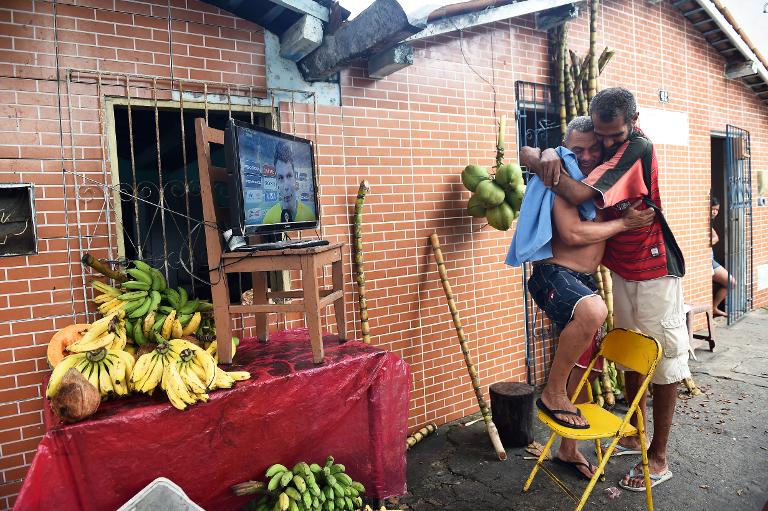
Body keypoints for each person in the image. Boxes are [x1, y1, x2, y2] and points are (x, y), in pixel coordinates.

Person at [524, 87, 689, 492]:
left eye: (614, 135)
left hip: (654, 268)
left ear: (632, 120)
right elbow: (562, 168)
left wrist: (542, 160)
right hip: (621, 271)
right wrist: (542, 155)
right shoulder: (597, 150)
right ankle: (634, 434)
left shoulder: (637, 147)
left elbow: (578, 195)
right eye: (601, 136)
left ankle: (659, 456)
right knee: (632, 355)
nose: (607, 143)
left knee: (664, 362)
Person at [513, 116, 655, 479]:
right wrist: (624, 224)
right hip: (554, 275)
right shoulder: (560, 179)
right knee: (594, 310)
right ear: (564, 148)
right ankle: (551, 394)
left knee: (583, 364)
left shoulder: (596, 183)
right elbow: (573, 233)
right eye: (579, 149)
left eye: (594, 147)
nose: (588, 155)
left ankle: (567, 450)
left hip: (581, 279)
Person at [263, 141, 315, 224]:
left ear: (295, 178)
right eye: (280, 178)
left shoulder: (309, 215)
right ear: (276, 182)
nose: (286, 187)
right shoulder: (268, 219)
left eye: (289, 176)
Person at [710, 197, 735, 317]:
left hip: (711, 260)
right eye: (713, 209)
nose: (715, 212)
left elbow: (715, 237)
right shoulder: (702, 221)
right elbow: (714, 238)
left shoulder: (709, 222)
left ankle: (714, 307)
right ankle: (714, 308)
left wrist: (712, 241)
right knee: (730, 282)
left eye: (717, 210)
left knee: (730, 283)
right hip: (707, 262)